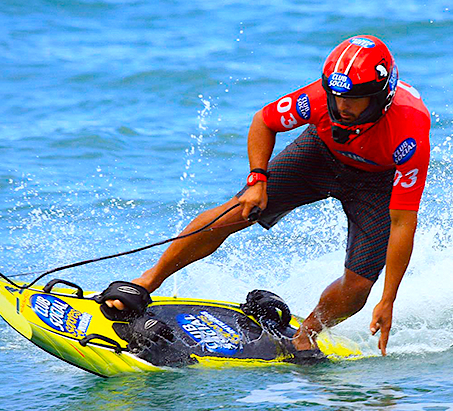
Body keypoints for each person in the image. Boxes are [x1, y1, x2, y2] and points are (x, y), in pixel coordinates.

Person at [100, 35, 431, 356]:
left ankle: (307, 335)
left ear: (380, 97)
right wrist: (257, 179)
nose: (342, 107)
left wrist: (388, 300)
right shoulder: (319, 97)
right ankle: (147, 281)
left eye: (354, 100)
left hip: (376, 181)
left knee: (359, 286)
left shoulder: (409, 133)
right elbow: (264, 120)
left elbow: (402, 222)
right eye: (337, 97)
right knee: (235, 212)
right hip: (318, 155)